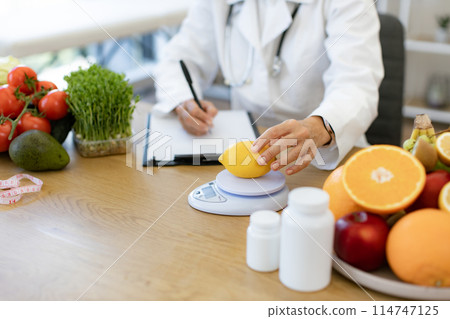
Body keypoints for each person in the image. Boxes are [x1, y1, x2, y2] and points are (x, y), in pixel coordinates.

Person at [152, 0, 384, 174]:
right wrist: (184, 101)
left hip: (323, 156)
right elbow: (180, 58)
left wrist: (318, 126)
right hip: (245, 151)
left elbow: (357, 81)